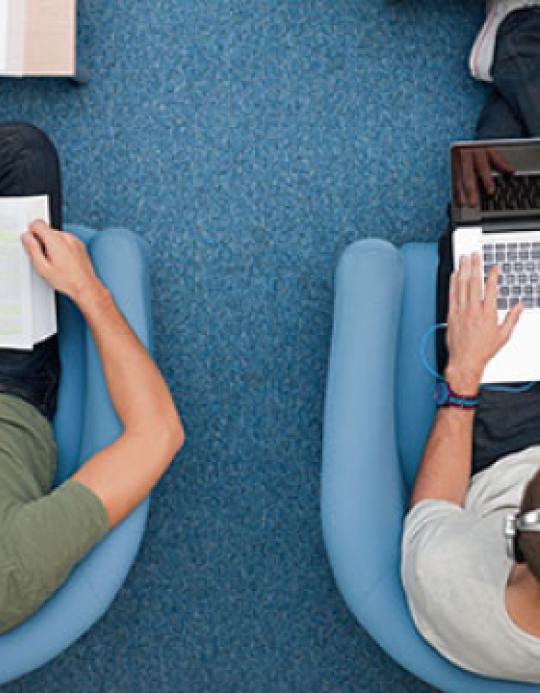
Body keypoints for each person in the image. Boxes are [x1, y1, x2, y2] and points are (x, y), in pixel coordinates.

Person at [401, 2, 540, 684]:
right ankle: (519, 41)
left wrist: (465, 374)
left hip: (506, 430)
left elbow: (434, 506)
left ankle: (521, 36)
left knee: (501, 203)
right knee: (510, 159)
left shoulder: (450, 579)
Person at [0, 123, 184, 634]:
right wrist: (89, 292)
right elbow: (158, 434)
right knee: (21, 155)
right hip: (7, 381)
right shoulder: (13, 569)